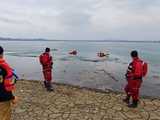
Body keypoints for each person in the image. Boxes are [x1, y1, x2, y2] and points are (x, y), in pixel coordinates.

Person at [0, 46, 18, 120]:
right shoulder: (3, 68)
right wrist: (12, 97)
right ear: (1, 54)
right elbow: (5, 87)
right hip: (2, 100)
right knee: (4, 117)